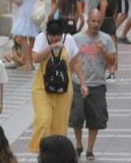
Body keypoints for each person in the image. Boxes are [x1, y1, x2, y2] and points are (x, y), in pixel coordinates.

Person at [29, 19, 89, 153]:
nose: (56, 40)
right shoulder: (41, 38)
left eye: (58, 37)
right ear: (48, 35)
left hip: (64, 88)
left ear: (63, 34)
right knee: (43, 119)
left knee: (60, 125)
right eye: (53, 38)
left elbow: (76, 62)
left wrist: (83, 84)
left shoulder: (69, 40)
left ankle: (55, 155)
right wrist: (50, 47)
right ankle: (41, 150)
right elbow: (35, 58)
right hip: (42, 87)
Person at [71, 9, 116, 160]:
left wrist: (103, 51)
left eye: (98, 21)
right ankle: (78, 144)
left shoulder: (106, 39)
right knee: (76, 116)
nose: (95, 24)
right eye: (93, 21)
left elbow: (112, 63)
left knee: (95, 118)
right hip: (78, 82)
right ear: (88, 21)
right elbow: (70, 60)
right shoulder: (76, 39)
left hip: (97, 83)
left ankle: (90, 149)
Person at [4, 0, 42, 71]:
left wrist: (16, 1)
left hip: (24, 12)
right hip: (34, 14)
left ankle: (28, 64)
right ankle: (30, 62)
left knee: (23, 38)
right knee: (32, 38)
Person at [98, 0, 122, 78]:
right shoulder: (115, 0)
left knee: (103, 48)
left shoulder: (104, 1)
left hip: (105, 25)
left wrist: (98, 26)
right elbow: (115, 14)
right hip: (111, 23)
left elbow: (102, 15)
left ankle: (103, 70)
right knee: (113, 48)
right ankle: (112, 71)